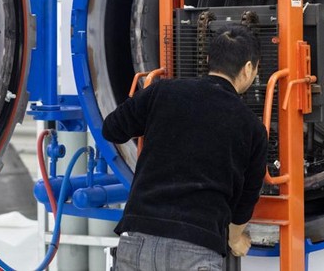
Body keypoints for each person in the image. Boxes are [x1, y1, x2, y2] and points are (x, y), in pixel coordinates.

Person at [102, 25, 268, 270]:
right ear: (248, 69)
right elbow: (245, 202)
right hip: (196, 250)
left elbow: (112, 129)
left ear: (209, 59)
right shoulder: (252, 127)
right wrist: (236, 240)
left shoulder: (162, 91)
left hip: (137, 241)